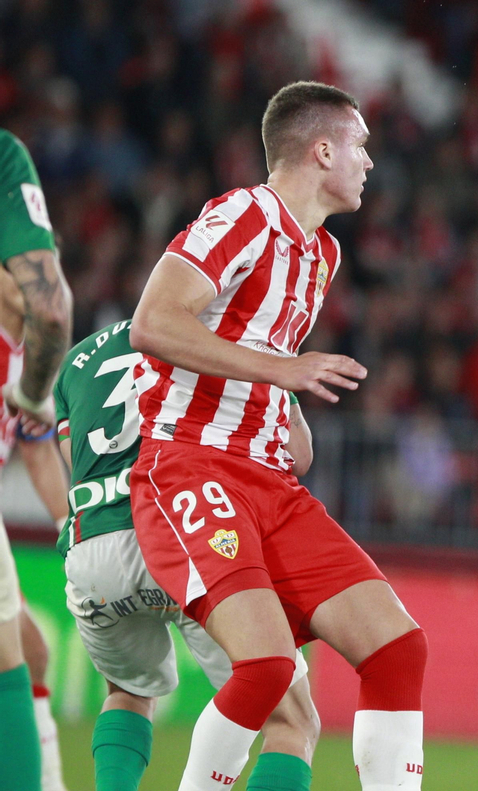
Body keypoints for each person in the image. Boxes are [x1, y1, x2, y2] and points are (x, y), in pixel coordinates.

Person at [128, 81, 426, 791]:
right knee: (265, 669)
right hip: (192, 464)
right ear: (322, 150)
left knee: (397, 648)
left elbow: (255, 343)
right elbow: (154, 323)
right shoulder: (242, 215)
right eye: (360, 147)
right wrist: (285, 372)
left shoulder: (322, 253)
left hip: (272, 482)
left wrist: (285, 409)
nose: (369, 163)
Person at [58, 319, 322, 791]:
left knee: (129, 691)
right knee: (291, 719)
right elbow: (296, 456)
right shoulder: (235, 343)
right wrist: (290, 390)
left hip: (94, 545)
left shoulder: (78, 360)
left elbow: (71, 459)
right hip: (183, 527)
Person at [0, 127, 74, 791]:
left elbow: (39, 449)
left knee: (33, 652)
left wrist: (72, 527)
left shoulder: (29, 362)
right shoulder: (17, 310)